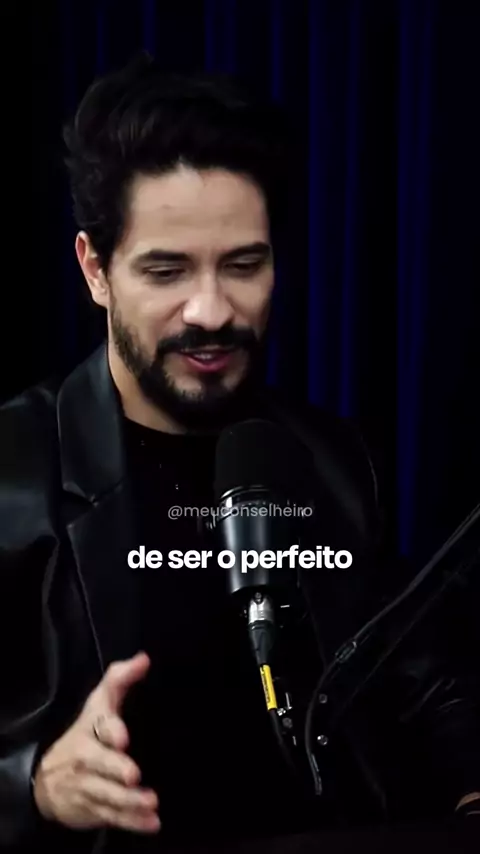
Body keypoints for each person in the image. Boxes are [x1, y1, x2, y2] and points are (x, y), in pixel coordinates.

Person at [0, 55, 478, 853]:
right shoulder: (13, 469)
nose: (212, 310)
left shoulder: (328, 459)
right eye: (166, 270)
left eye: (244, 265)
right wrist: (34, 782)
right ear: (95, 270)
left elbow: (418, 675)